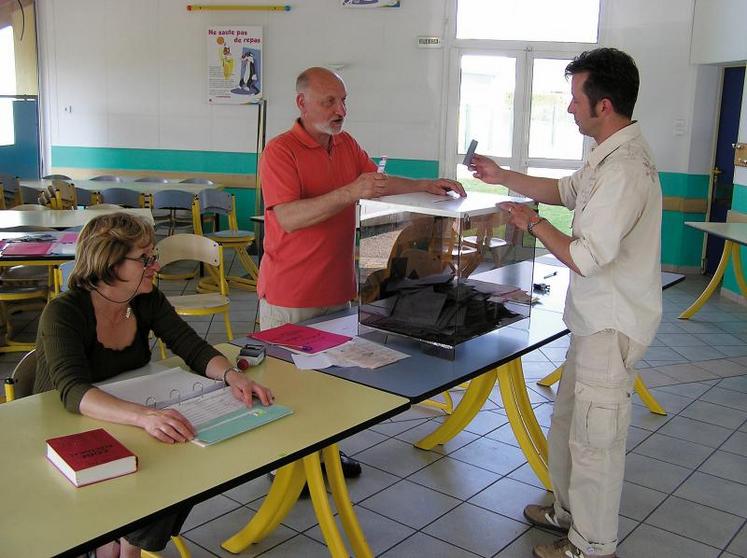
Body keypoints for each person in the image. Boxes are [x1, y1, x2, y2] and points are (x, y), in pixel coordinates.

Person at [470, 48, 662, 558]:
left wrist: (530, 223)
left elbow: (586, 257)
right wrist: (501, 175)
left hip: (613, 323)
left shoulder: (625, 170)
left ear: (603, 105)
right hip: (592, 320)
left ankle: (592, 544)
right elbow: (562, 190)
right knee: (570, 423)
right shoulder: (605, 154)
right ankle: (566, 510)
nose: (570, 107)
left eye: (576, 98)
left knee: (596, 441)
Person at [257, 66, 466, 477]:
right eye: (329, 102)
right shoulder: (280, 151)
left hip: (339, 288)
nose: (341, 110)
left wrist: (425, 185)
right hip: (292, 294)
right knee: (291, 386)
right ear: (302, 103)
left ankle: (327, 454)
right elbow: (289, 217)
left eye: (344, 101)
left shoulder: (345, 143)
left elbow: (376, 184)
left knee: (333, 380)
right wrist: (350, 192)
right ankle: (286, 469)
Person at [34, 212, 274, 558]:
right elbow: (72, 391)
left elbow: (191, 346)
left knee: (184, 456)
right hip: (62, 426)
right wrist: (146, 416)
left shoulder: (145, 299)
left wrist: (231, 376)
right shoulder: (65, 312)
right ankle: (114, 541)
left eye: (154, 256)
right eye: (145, 259)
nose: (155, 266)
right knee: (168, 451)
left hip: (119, 417)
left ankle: (128, 544)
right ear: (108, 262)